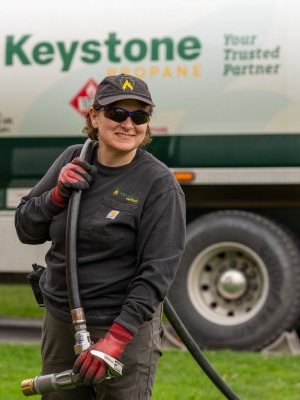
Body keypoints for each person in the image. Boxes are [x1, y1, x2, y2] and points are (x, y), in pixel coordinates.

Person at [15, 74, 186, 400]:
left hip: (122, 327)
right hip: (62, 321)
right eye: (117, 113)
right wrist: (57, 195)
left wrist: (115, 340)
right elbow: (26, 229)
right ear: (94, 117)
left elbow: (156, 274)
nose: (128, 124)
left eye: (140, 116)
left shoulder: (159, 184)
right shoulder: (73, 158)